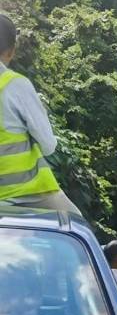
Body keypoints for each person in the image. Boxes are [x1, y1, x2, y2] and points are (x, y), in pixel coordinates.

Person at [0, 14, 81, 214]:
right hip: (29, 194)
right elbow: (48, 145)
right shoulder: (15, 85)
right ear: (10, 51)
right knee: (75, 224)